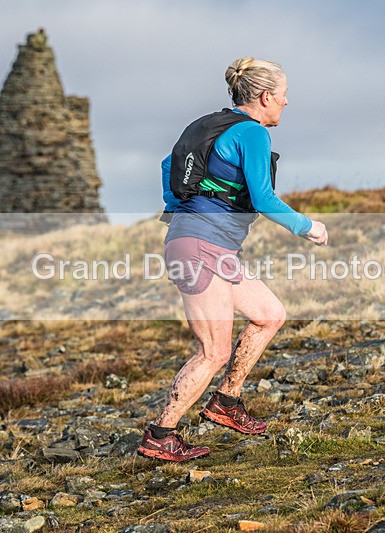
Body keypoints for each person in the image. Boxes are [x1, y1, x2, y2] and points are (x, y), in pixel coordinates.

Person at [137, 57, 328, 462]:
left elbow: (168, 166)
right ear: (265, 97)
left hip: (207, 247)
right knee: (213, 351)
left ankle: (226, 401)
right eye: (283, 95)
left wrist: (183, 215)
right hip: (201, 248)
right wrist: (307, 226)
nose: (287, 103)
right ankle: (161, 433)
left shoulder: (206, 126)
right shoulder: (252, 133)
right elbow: (263, 198)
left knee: (269, 314)